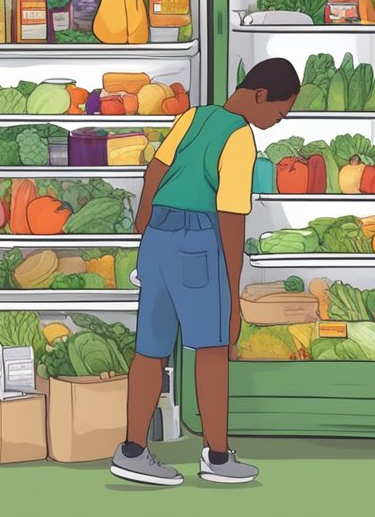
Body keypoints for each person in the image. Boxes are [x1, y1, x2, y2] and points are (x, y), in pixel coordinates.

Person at [110, 58, 298, 487]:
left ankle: (132, 450)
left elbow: (156, 167)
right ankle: (216, 456)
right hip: (199, 239)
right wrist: (232, 294)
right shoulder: (239, 136)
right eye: (278, 113)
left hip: (157, 238)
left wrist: (144, 221)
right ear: (260, 95)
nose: (275, 122)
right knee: (212, 349)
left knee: (150, 348)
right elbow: (231, 217)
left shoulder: (193, 116)